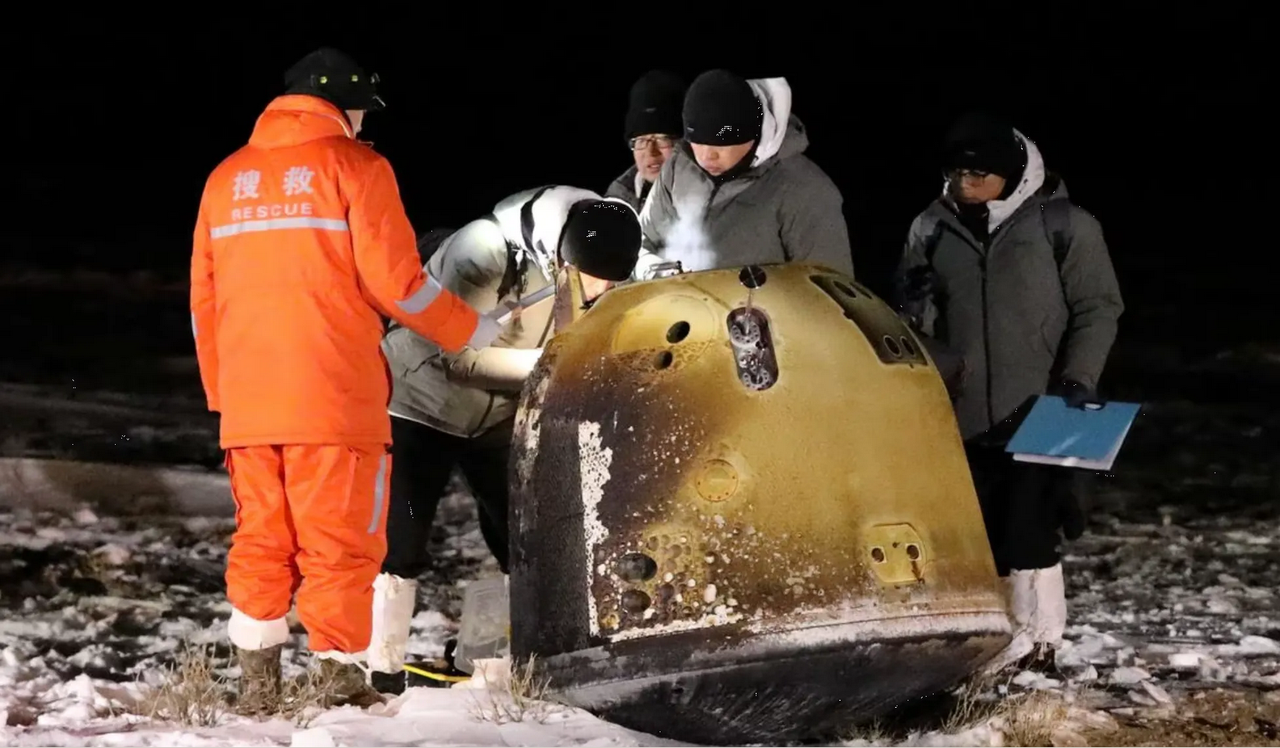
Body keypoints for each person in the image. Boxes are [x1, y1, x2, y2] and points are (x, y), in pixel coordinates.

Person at [189, 47, 498, 713]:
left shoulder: (226, 179)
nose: (364, 121)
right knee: (340, 542)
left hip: (249, 404)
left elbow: (202, 302)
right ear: (346, 107)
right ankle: (337, 683)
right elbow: (399, 286)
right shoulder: (358, 168)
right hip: (332, 397)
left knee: (261, 539)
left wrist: (225, 396)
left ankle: (258, 689)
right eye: (362, 110)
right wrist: (469, 329)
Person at [367, 186, 642, 692]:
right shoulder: (484, 249)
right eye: (593, 278)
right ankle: (379, 669)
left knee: (515, 538)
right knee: (401, 539)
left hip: (498, 414)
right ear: (564, 251)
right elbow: (459, 356)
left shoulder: (601, 251)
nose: (600, 289)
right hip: (419, 402)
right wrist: (558, 367)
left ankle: (485, 661)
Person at [896, 112, 1124, 673]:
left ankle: (1040, 644)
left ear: (1012, 174)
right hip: (964, 411)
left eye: (978, 175)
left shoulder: (1064, 225)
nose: (964, 185)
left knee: (1032, 528)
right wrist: (911, 304)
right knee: (982, 532)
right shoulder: (930, 227)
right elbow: (911, 324)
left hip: (1048, 401)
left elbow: (1099, 307)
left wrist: (1079, 378)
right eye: (956, 174)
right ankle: (996, 645)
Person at [633, 69, 853, 278]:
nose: (708, 156)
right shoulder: (678, 168)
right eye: (698, 142)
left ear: (753, 136)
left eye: (721, 144)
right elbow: (637, 242)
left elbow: (828, 291)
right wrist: (650, 268)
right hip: (676, 310)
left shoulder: (805, 190)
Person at [605, 70, 685, 213]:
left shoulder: (715, 199)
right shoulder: (618, 200)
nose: (651, 152)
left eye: (661, 139)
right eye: (641, 141)